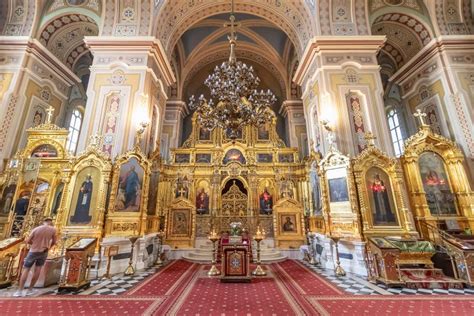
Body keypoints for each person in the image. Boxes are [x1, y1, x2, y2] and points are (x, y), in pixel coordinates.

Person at [14, 218, 57, 297]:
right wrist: (48, 247)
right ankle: (30, 289)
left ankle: (20, 291)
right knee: (38, 269)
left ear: (44, 222)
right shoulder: (53, 230)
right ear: (50, 223)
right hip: (44, 252)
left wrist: (34, 243)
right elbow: (54, 242)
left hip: (33, 251)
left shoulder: (36, 229)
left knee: (26, 269)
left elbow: (28, 240)